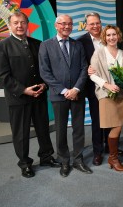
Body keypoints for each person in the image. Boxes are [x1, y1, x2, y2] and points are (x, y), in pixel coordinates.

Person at [0, 11, 60, 178]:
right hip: (19, 98)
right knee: (21, 133)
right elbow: (3, 76)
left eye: (23, 22)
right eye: (16, 23)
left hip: (39, 95)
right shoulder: (2, 46)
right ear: (10, 25)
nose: (19, 26)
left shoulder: (38, 44)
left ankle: (46, 157)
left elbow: (46, 68)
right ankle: (25, 163)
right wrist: (24, 90)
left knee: (43, 129)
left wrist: (44, 85)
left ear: (27, 24)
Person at [39, 14, 92, 177]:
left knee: (78, 129)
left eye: (69, 24)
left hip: (77, 94)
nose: (66, 27)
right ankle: (64, 161)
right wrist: (64, 91)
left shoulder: (78, 45)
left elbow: (84, 68)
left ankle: (78, 159)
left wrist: (76, 89)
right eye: (63, 24)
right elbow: (45, 72)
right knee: (61, 130)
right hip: (58, 96)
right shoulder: (46, 45)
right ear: (56, 25)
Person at [89, 25, 123, 172]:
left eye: (114, 34)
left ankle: (112, 156)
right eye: (108, 35)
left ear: (118, 36)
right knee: (116, 125)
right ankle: (113, 158)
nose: (111, 37)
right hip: (106, 95)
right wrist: (107, 85)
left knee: (119, 126)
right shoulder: (99, 53)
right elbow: (92, 74)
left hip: (122, 95)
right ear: (104, 37)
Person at [77, 12, 115, 166]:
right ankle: (97, 152)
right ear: (86, 25)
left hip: (112, 86)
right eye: (91, 24)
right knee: (97, 121)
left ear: (101, 23)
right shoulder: (80, 42)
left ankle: (109, 147)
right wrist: (87, 70)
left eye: (97, 23)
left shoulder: (109, 38)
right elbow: (80, 63)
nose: (95, 26)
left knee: (111, 119)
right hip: (94, 88)